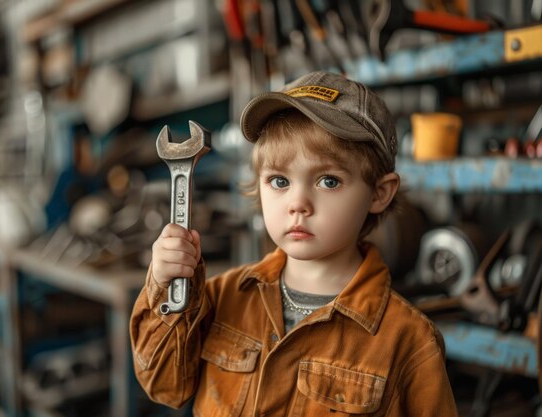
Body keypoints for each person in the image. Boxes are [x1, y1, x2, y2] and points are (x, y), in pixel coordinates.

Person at [130, 71, 458, 416]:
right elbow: (164, 386)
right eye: (279, 180)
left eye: (328, 181)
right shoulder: (220, 298)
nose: (297, 203)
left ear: (379, 193)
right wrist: (164, 287)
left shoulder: (409, 342)